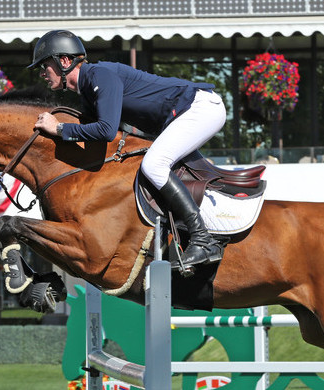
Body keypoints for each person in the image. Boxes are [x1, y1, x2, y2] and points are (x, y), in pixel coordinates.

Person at [30, 30, 225, 269]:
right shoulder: (87, 92)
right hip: (183, 115)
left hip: (199, 107)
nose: (42, 74)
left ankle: (203, 240)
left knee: (154, 164)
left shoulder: (99, 75)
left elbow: (106, 131)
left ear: (65, 61)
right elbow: (97, 141)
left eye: (44, 66)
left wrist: (59, 128)